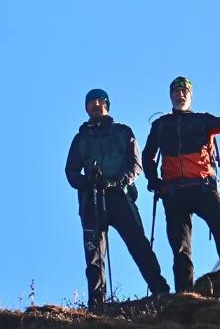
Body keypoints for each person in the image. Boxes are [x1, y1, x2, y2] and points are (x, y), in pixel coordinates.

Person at [64, 88, 170, 308]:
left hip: (120, 197)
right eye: (91, 102)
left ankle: (160, 290)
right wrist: (87, 182)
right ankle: (97, 303)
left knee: (138, 244)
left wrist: (116, 181)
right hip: (91, 200)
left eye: (100, 101)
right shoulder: (81, 138)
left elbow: (135, 165)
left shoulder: (122, 132)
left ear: (107, 105)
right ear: (86, 108)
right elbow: (71, 171)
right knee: (94, 254)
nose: (95, 105)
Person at [142, 76, 220, 293]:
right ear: (170, 96)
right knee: (181, 247)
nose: (180, 94)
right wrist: (155, 182)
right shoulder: (161, 126)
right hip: (175, 192)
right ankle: (185, 294)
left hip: (201, 187)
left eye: (184, 91)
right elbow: (147, 156)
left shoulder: (202, 120)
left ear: (191, 95)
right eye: (176, 91)